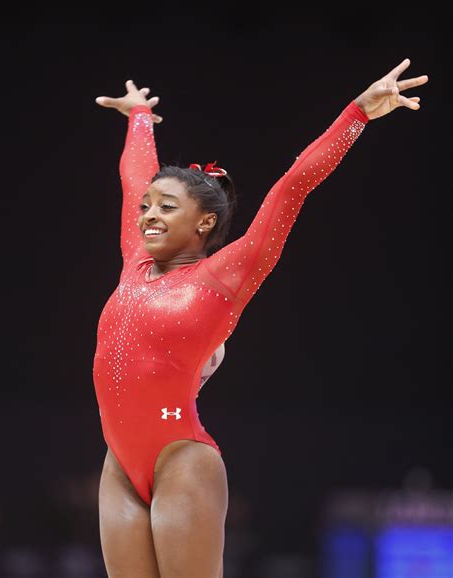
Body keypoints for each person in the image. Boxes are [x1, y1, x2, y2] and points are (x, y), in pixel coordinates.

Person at [93, 58, 428, 578]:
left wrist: (357, 114)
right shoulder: (134, 260)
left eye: (166, 207)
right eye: (147, 207)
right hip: (119, 464)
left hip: (180, 456)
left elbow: (293, 186)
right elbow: (132, 175)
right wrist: (138, 116)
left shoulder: (226, 275)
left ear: (205, 222)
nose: (148, 215)